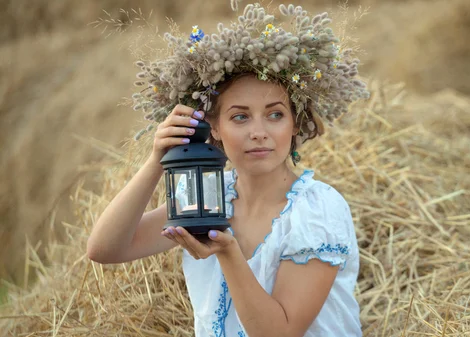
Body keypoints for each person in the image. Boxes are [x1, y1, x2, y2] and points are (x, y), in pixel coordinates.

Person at [87, 4, 369, 336]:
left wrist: (227, 252)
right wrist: (156, 163)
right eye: (240, 116)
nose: (259, 131)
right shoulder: (207, 196)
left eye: (275, 114)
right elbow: (104, 249)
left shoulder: (317, 211)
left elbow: (279, 333)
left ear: (295, 123)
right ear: (214, 128)